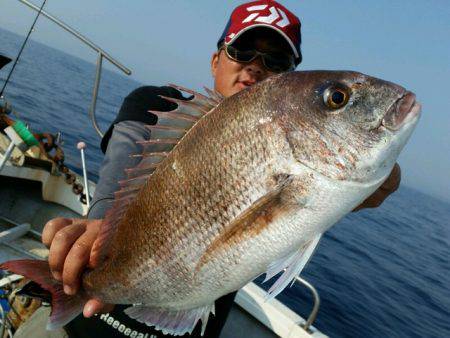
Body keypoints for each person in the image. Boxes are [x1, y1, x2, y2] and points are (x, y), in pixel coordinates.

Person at [14, 1, 401, 337]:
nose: (255, 67)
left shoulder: (305, 155)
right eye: (244, 50)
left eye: (276, 61)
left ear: (288, 81)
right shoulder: (156, 106)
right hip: (80, 330)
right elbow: (121, 170)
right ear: (217, 59)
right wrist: (98, 230)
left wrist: (380, 174)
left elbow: (338, 190)